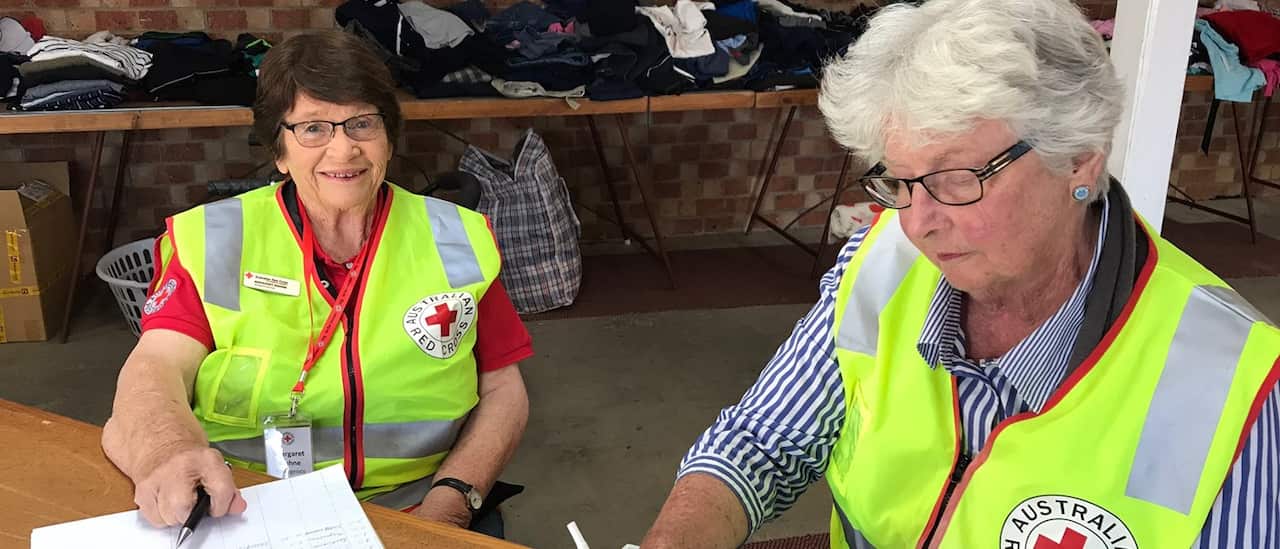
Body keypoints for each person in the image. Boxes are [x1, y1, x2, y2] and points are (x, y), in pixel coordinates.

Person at [642, 0, 1280, 547]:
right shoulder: (883, 265)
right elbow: (759, 443)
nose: (917, 223)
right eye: (900, 180)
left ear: (1080, 160)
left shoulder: (1230, 383)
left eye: (956, 179)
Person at [101, 30, 531, 537]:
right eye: (313, 128)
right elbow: (155, 368)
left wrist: (453, 500)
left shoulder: (455, 238)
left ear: (389, 138)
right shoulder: (215, 238)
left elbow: (504, 389)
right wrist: (167, 450)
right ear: (279, 149)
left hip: (419, 501)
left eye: (362, 124)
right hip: (249, 505)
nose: (343, 148)